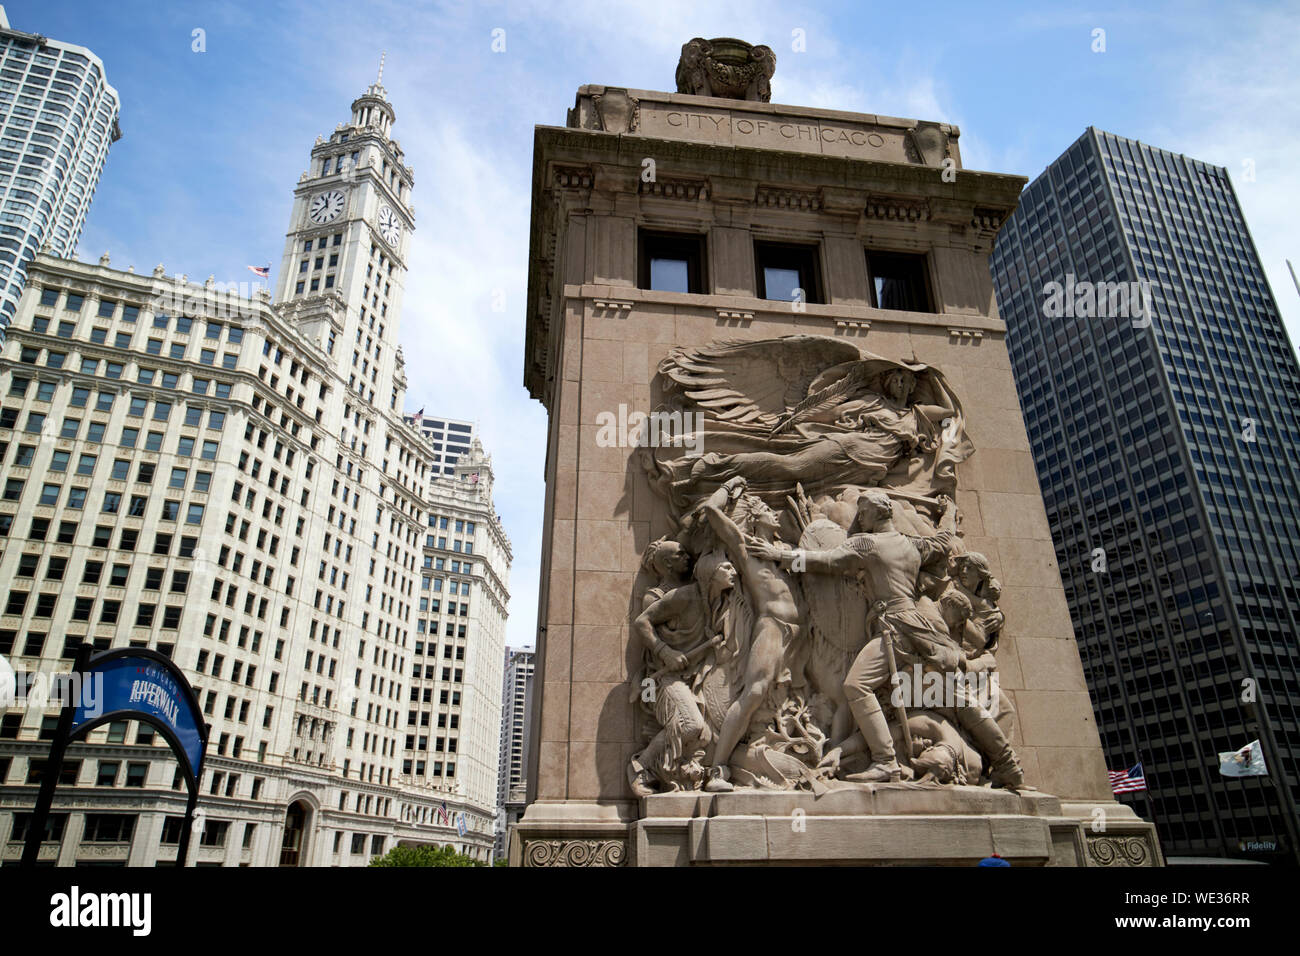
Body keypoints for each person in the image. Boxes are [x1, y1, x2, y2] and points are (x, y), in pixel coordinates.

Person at [697, 476, 803, 792]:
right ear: (755, 517)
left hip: (800, 636)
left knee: (783, 701)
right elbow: (712, 512)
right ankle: (717, 768)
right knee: (755, 692)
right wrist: (728, 488)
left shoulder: (785, 551)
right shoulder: (746, 548)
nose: (775, 514)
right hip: (772, 627)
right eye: (768, 509)